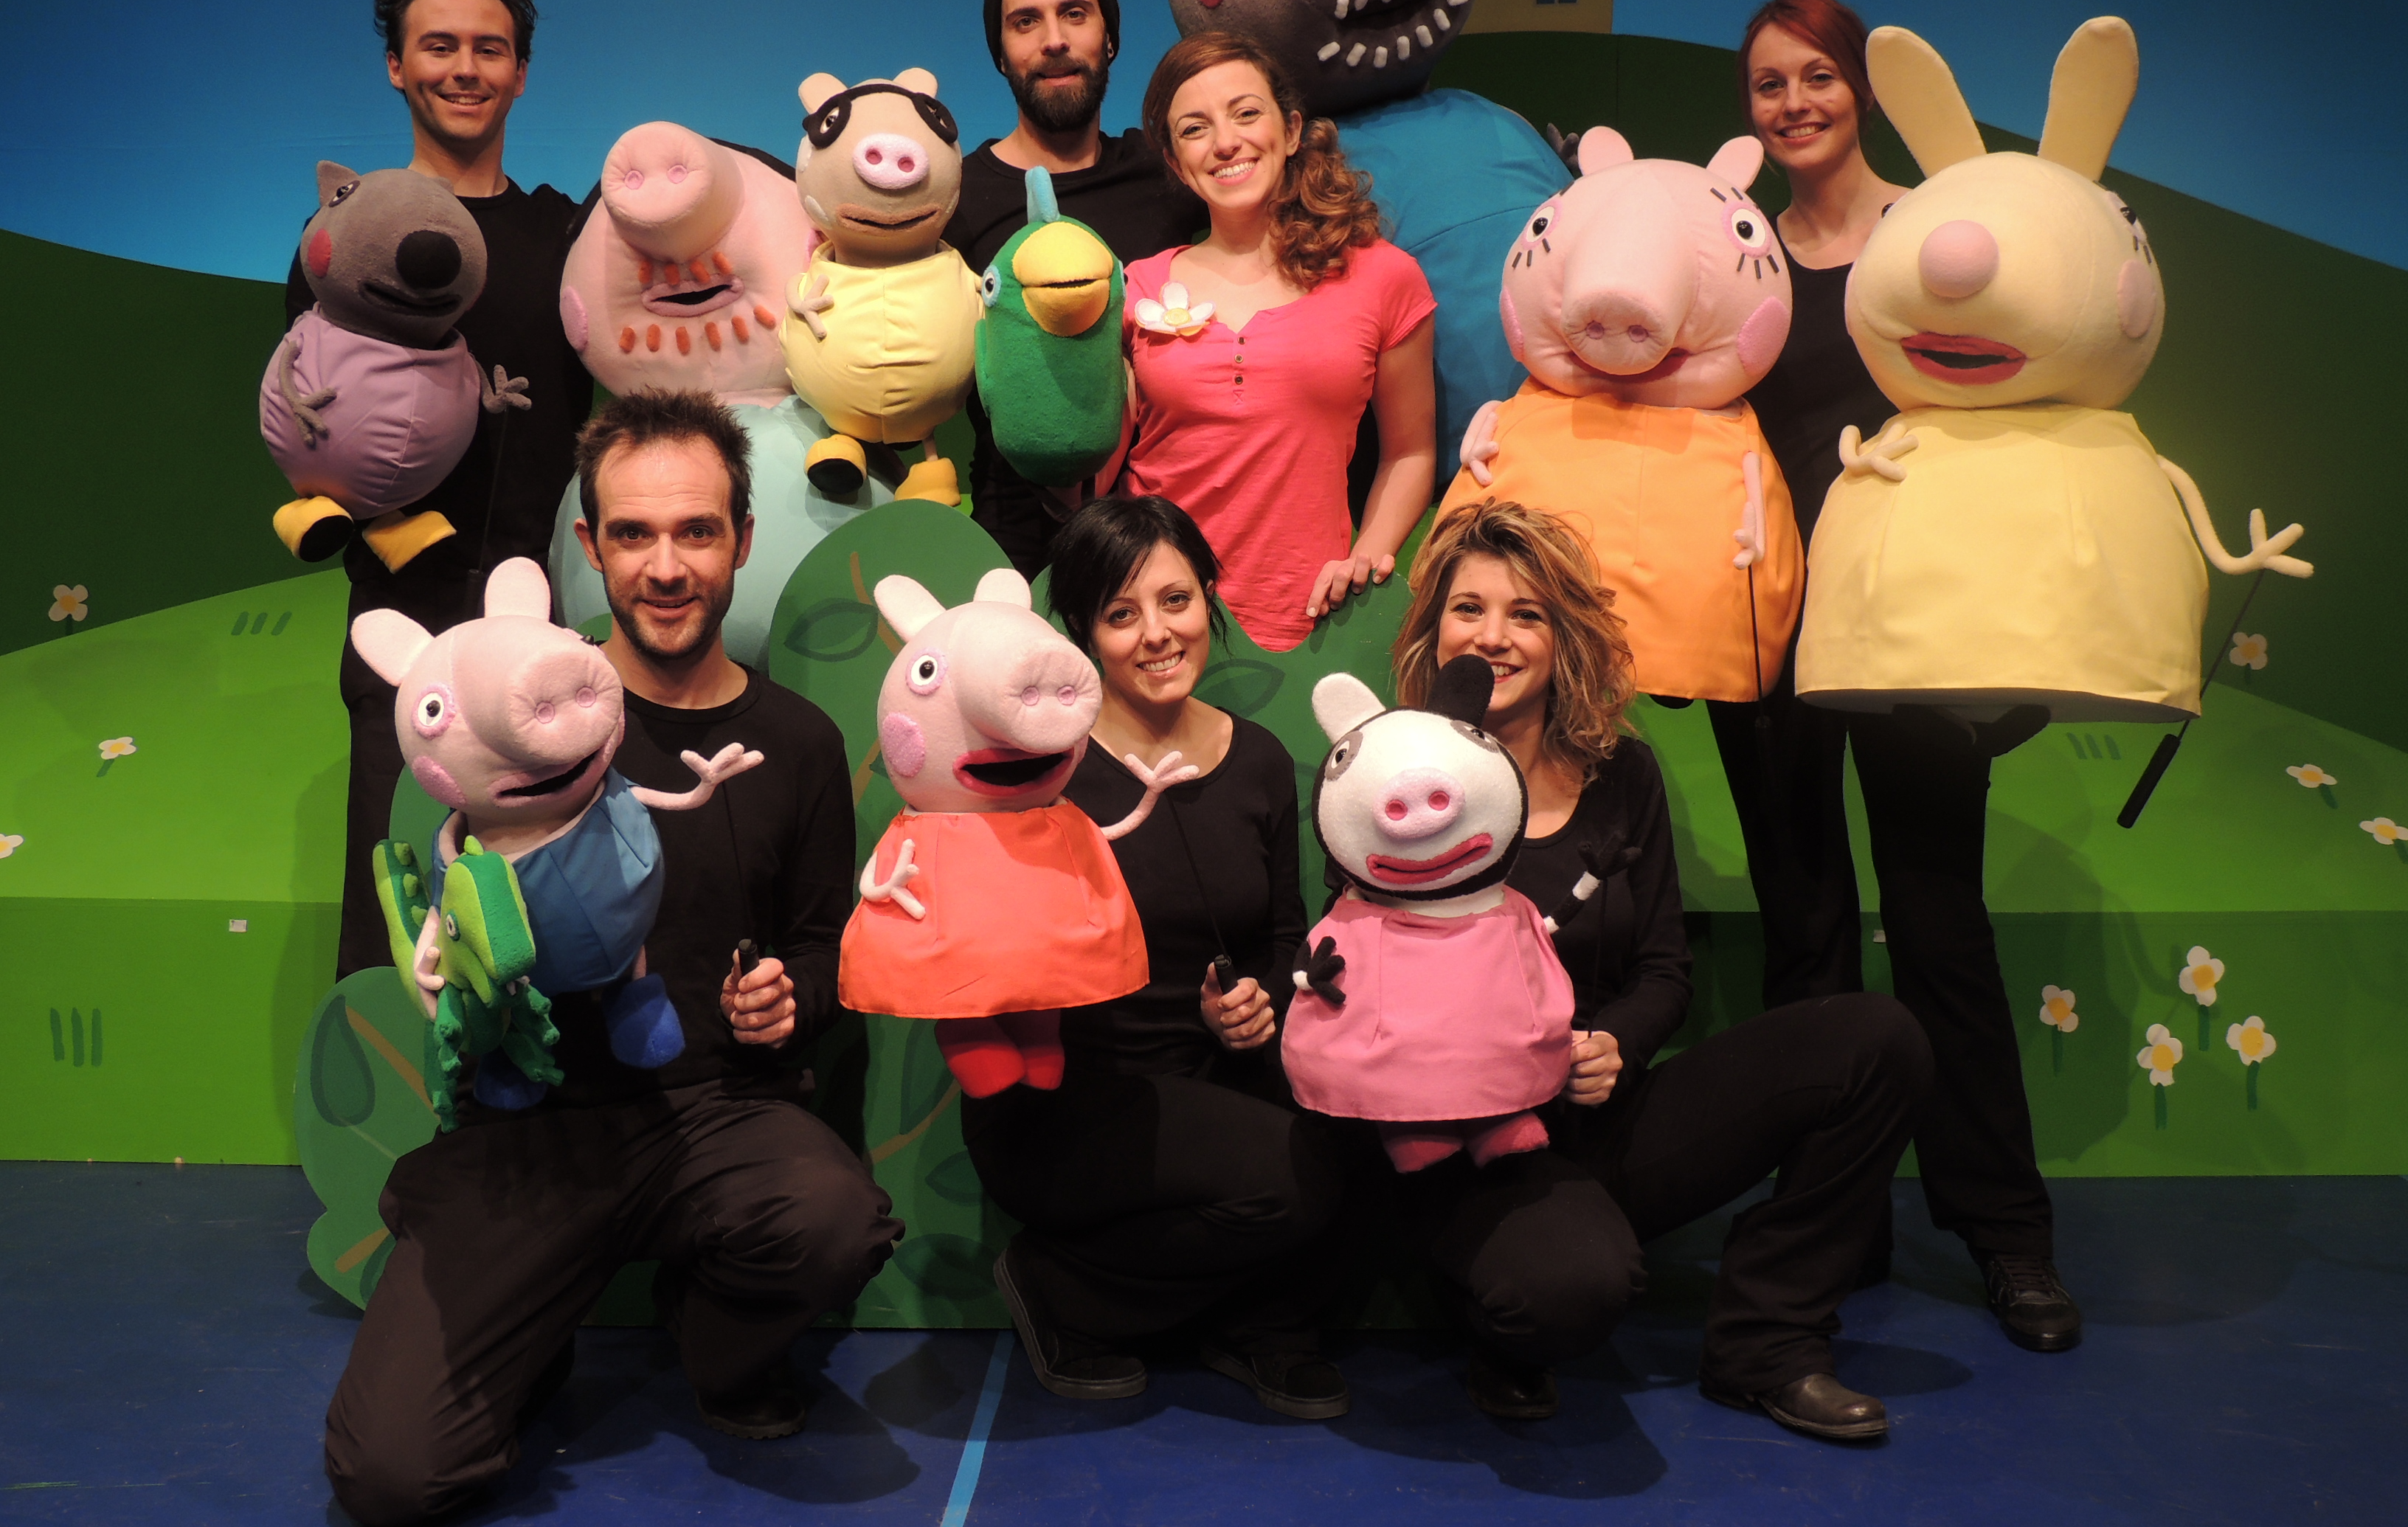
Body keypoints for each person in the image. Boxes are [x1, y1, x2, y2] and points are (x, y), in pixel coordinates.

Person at [322, 391, 901, 1526]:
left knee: (835, 1220)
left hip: (719, 1118)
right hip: (530, 1129)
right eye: (633, 534)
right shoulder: (512, 719)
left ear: (742, 537)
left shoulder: (798, 742)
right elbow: (448, 891)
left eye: (696, 532)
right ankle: (513, 1310)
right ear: (589, 546)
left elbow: (822, 942)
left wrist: (792, 996)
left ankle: (714, 1341)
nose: (666, 567)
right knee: (393, 1478)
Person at [1371, 499, 1931, 1440]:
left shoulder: (1621, 774)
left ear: (1562, 638)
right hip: (1473, 1151)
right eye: (1469, 609)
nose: (1494, 637)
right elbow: (1367, 992)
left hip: (1606, 1115)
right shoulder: (1388, 779)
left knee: (1879, 1040)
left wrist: (1615, 1044)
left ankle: (1767, 1342)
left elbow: (1665, 970)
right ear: (1435, 630)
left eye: (1525, 614)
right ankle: (1508, 1306)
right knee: (1570, 1294)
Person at [1704, 0, 2081, 1354]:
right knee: (1804, 932)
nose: (1793, 103)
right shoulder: (1737, 256)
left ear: (1858, 87)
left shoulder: (1936, 232)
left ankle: (2005, 1234)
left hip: (1912, 636)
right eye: (1768, 84)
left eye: (1815, 75)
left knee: (1937, 927)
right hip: (1769, 637)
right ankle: (1831, 1225)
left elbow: (2022, 408)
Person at [962, 496, 1349, 1419]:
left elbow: (1284, 937)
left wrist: (1256, 1002)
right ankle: (1064, 1290)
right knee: (1298, 1175)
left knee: (1366, 1144)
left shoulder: (1258, 759)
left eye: (1176, 600)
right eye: (1120, 614)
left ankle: (1253, 1324)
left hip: (1220, 1079)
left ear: (1209, 597)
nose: (1157, 634)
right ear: (1082, 634)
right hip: (1069, 1098)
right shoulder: (1042, 769)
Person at [288, 0, 592, 982]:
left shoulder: (569, 237)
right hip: (403, 611)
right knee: (397, 903)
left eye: (489, 48)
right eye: (439, 46)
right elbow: (307, 423)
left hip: (549, 608)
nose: (465, 69)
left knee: (555, 915)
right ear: (395, 66)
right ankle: (385, 1079)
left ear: (522, 71)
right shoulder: (349, 238)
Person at [1124, 32, 1438, 651]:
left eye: (1246, 113)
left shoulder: (1385, 277)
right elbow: (1100, 460)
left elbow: (1409, 452)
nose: (1225, 142)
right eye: (1195, 128)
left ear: (1291, 130)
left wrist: (1366, 561)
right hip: (1153, 621)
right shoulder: (1139, 285)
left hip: (1309, 623)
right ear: (1175, 161)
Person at [944, 0, 1208, 576]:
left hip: (1168, 535)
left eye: (1075, 14)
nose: (1054, 40)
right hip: (1016, 548)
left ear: (1109, 40)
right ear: (1000, 55)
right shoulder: (956, 199)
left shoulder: (1171, 177)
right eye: (1025, 22)